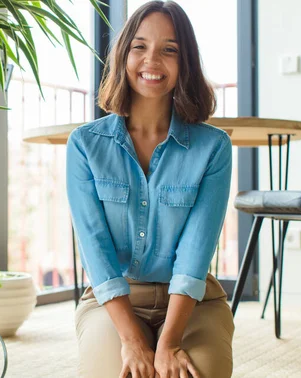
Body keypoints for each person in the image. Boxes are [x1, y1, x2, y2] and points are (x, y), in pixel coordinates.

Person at [66, 1, 234, 377]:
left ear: (185, 61)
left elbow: (195, 253)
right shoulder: (85, 145)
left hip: (192, 303)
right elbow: (96, 250)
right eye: (139, 46)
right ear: (124, 54)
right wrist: (132, 340)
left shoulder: (214, 147)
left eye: (169, 49)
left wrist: (169, 342)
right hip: (115, 301)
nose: (151, 60)